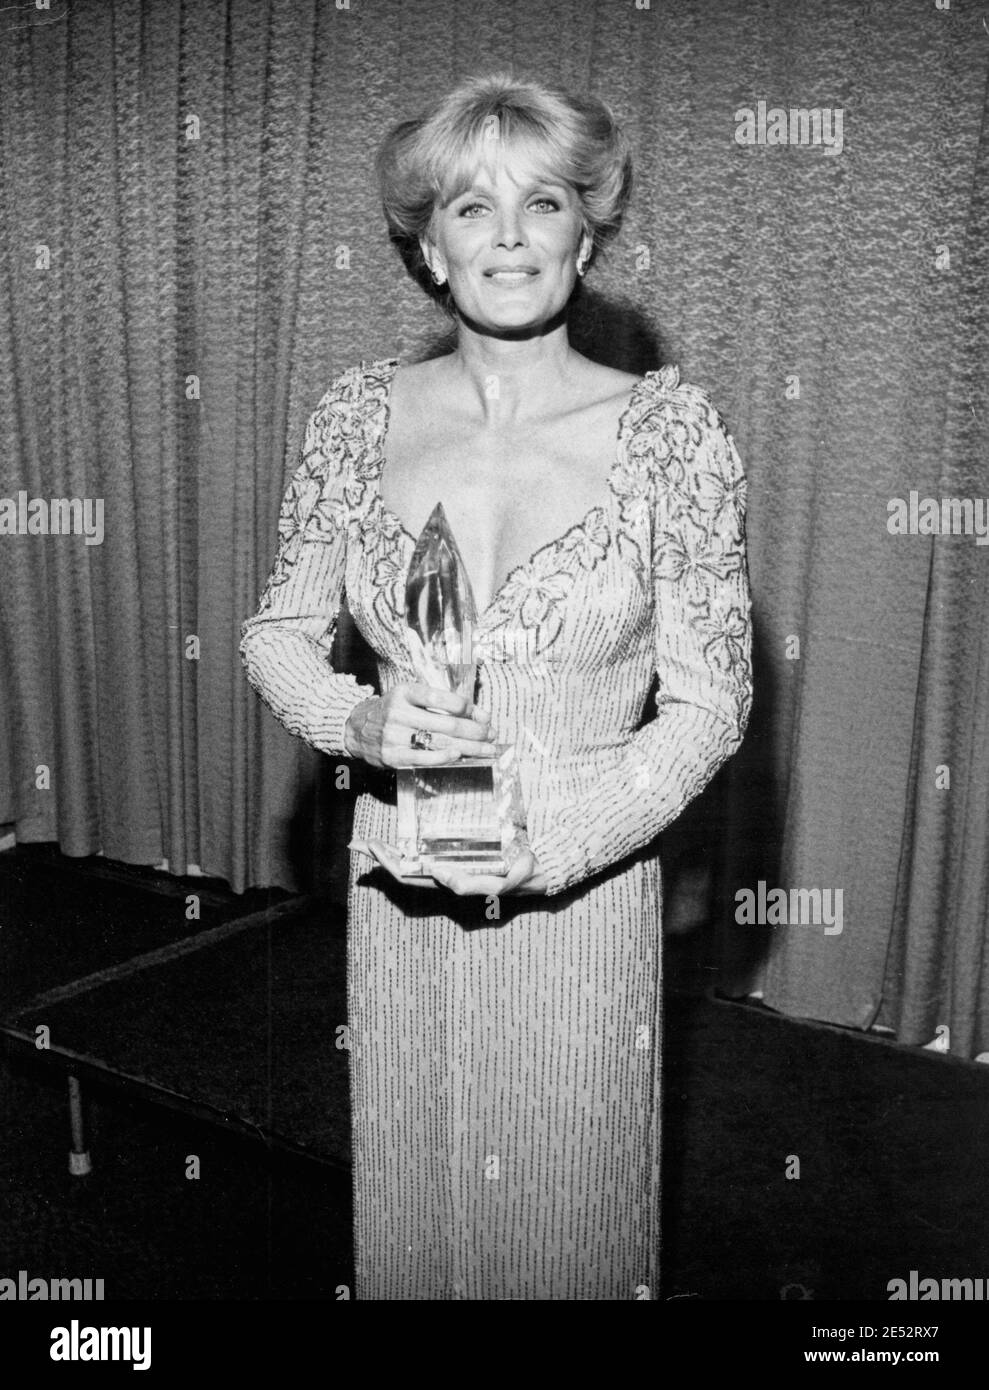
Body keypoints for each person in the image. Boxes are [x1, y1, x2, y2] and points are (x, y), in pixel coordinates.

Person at [240, 71, 752, 1300]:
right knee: (418, 1219)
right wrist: (359, 717)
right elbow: (274, 634)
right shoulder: (355, 416)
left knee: (570, 1221)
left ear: (587, 231)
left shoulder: (671, 435)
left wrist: (551, 840)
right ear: (427, 245)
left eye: (542, 203)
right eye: (472, 208)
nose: (509, 235)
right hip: (399, 884)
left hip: (580, 898)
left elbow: (707, 704)